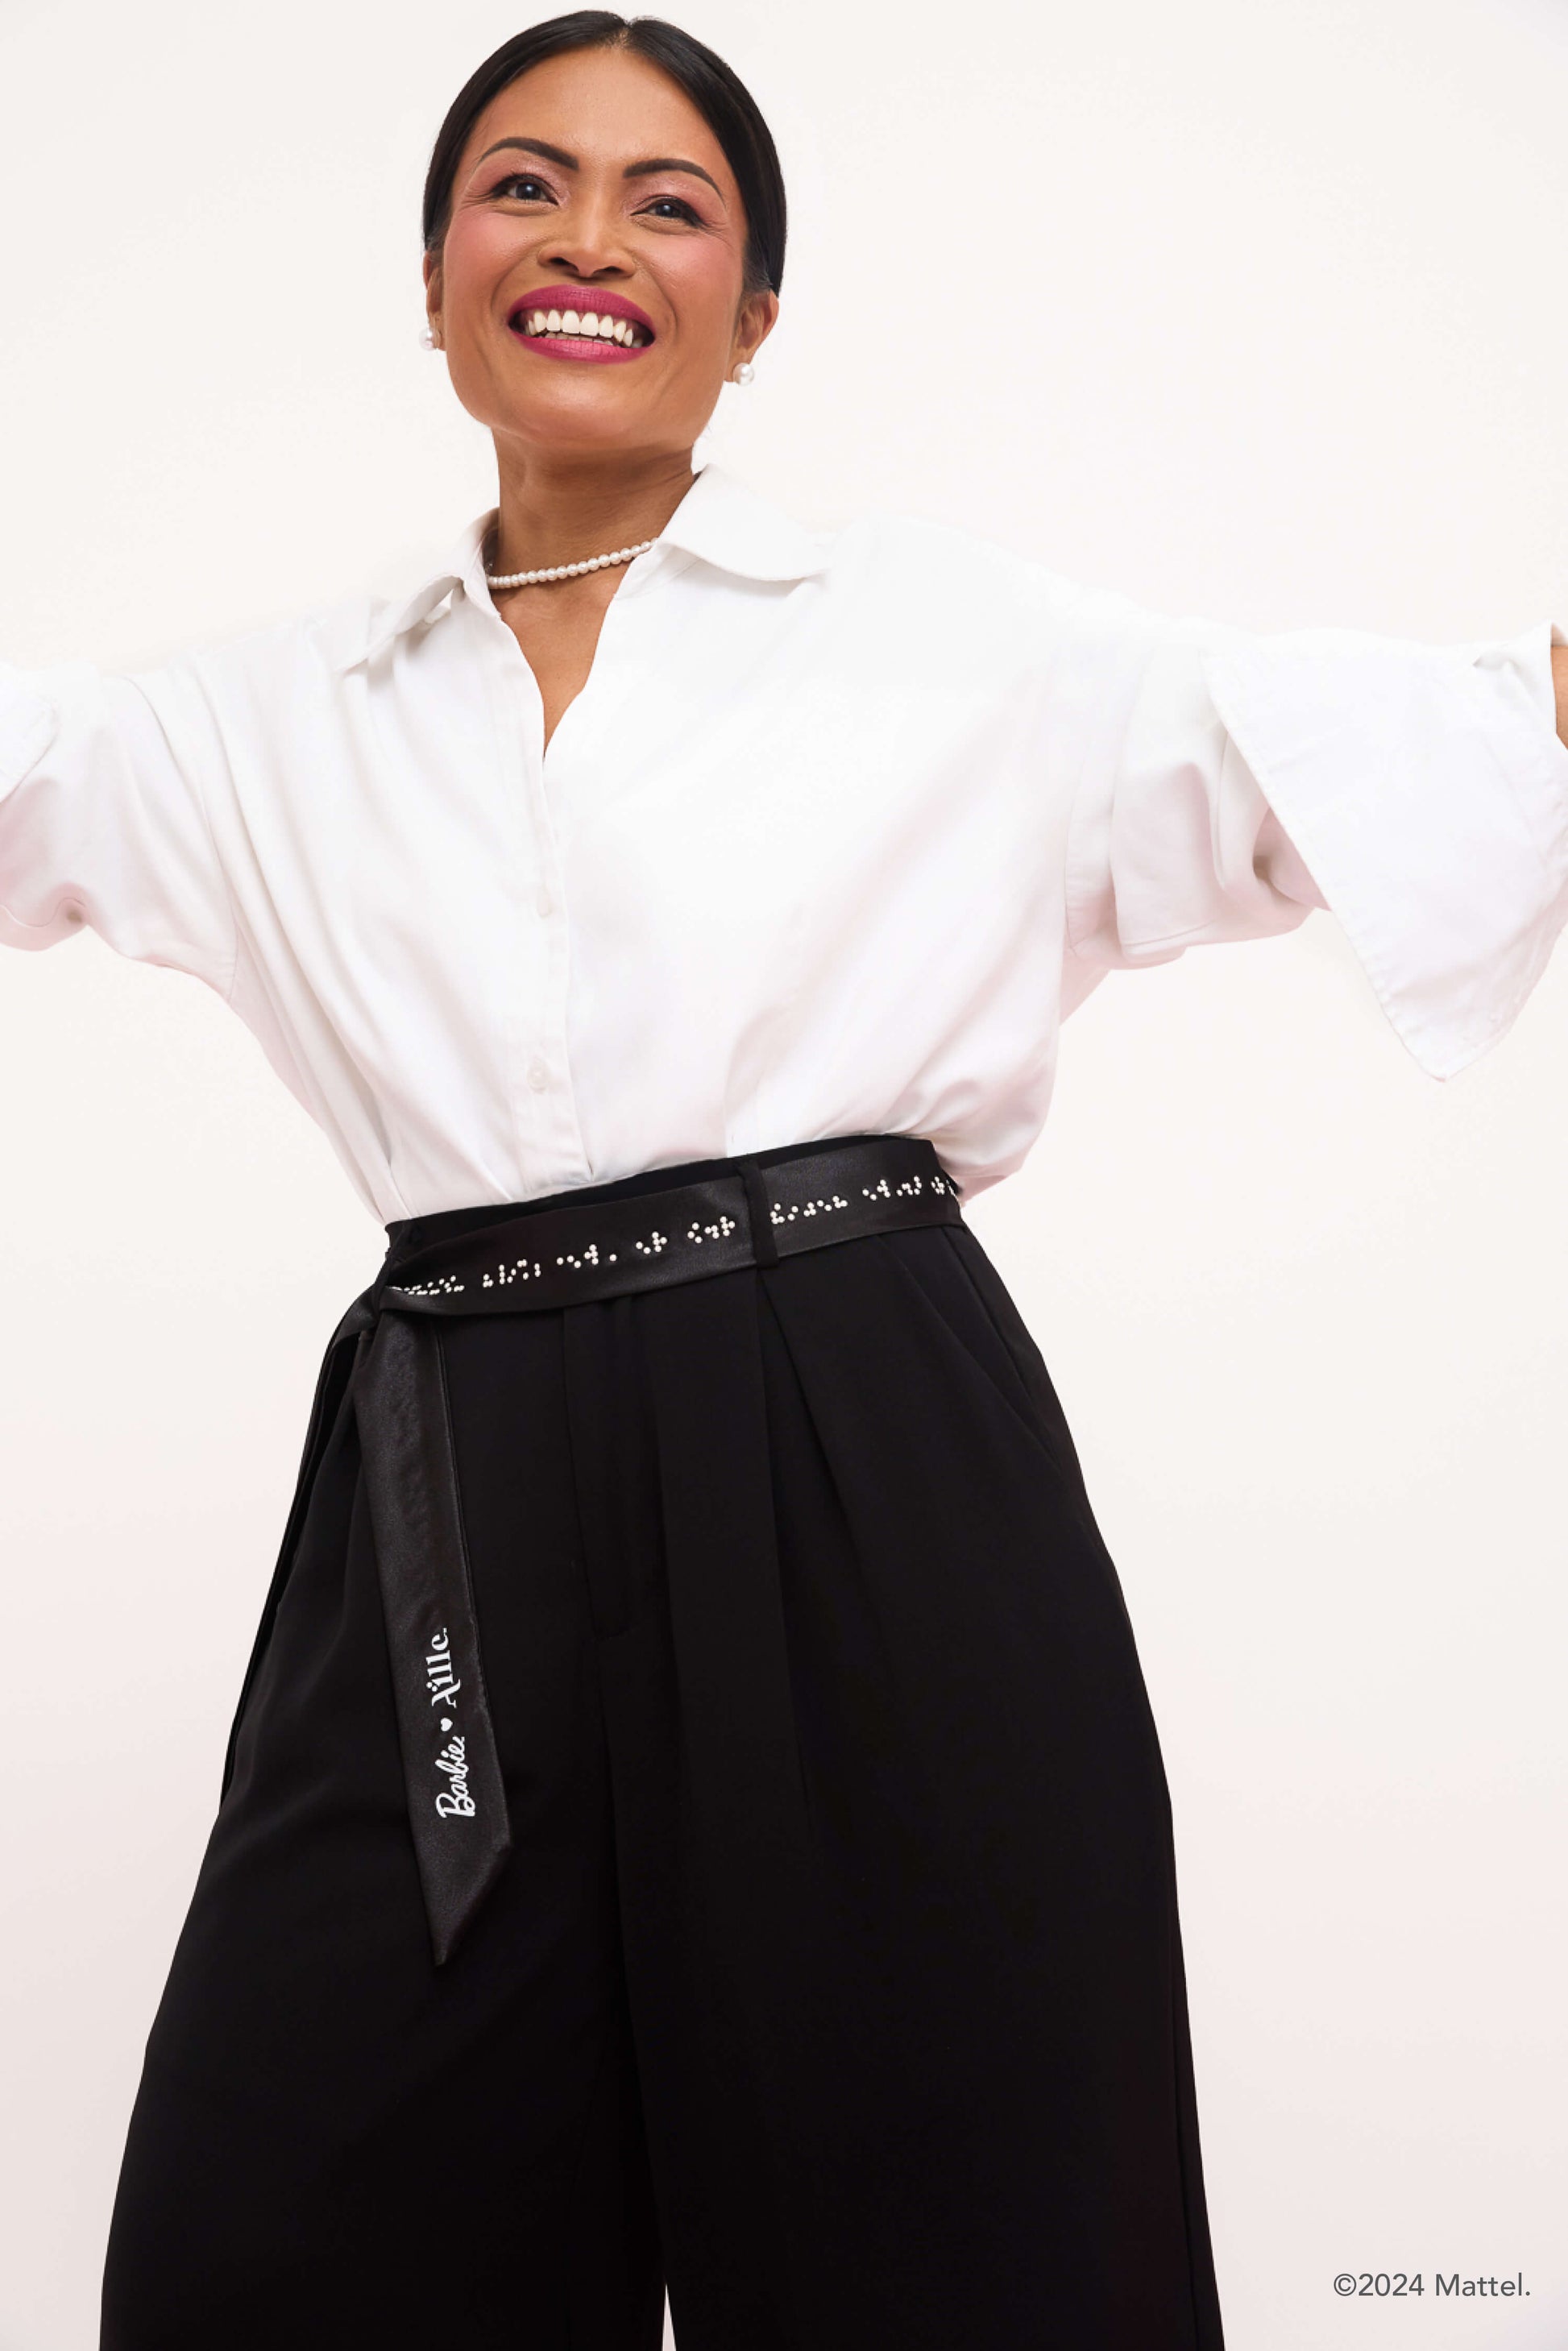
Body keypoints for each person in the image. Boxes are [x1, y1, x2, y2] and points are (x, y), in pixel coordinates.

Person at [3, 13, 1565, 2349]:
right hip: (450, 1478)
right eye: (520, 186)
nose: (586, 240)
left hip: (854, 1439)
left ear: (749, 315)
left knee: (949, 2218)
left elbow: (1331, 748)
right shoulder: (244, 722)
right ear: (432, 275)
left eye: (669, 201)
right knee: (295, 2217)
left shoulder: (945, 641)